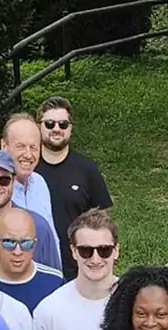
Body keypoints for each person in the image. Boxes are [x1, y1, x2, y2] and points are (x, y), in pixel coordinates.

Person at [35, 96, 113, 281]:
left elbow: (102, 223)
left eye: (63, 124)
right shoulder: (28, 170)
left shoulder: (87, 169)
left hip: (79, 268)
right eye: (49, 124)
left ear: (70, 128)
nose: (56, 129)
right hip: (35, 268)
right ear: (39, 126)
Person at [0, 113, 60, 259]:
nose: (28, 154)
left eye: (33, 147)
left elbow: (51, 238)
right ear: (4, 146)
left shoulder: (40, 183)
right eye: (21, 146)